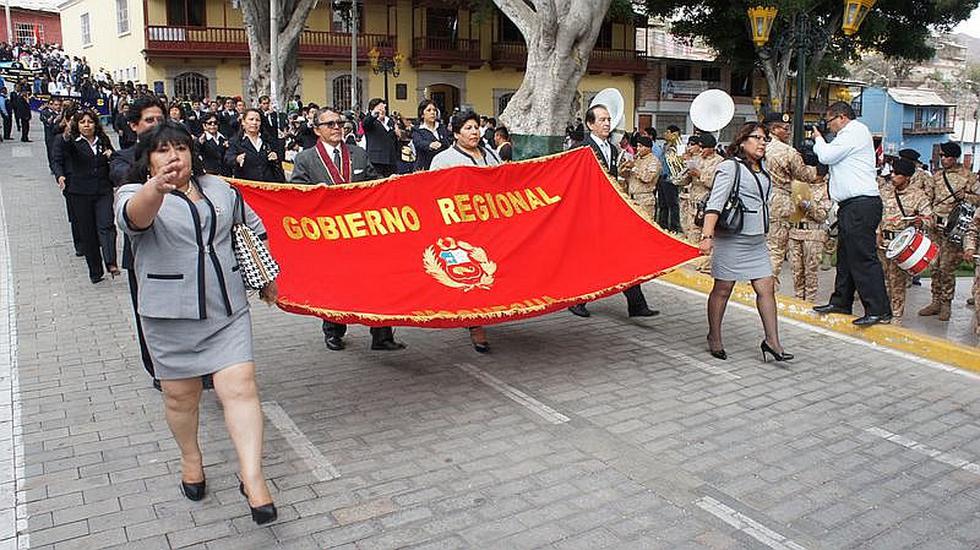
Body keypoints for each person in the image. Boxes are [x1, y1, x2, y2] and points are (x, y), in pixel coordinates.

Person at [115, 122, 278, 525]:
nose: (174, 157)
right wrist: (156, 187)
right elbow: (134, 220)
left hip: (227, 308)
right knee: (181, 398)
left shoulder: (220, 188)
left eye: (181, 148)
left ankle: (253, 477)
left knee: (240, 388)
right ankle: (191, 458)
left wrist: (267, 275)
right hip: (170, 315)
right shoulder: (134, 192)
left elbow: (253, 228)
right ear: (148, 158)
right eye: (163, 150)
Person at [289, 107, 406, 352]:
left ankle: (382, 334)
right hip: (329, 235)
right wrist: (316, 195)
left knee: (376, 281)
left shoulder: (358, 154)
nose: (336, 127)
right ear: (317, 130)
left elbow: (374, 186)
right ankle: (333, 331)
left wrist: (391, 185)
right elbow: (297, 196)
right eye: (329, 124)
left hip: (362, 233)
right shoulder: (306, 159)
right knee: (335, 285)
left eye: (339, 123)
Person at [699, 122, 791, 362]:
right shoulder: (730, 168)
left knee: (766, 288)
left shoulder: (764, 169)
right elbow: (715, 203)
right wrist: (707, 237)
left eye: (765, 139)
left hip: (757, 239)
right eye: (757, 138)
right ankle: (714, 337)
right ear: (742, 141)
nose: (762, 142)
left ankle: (773, 342)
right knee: (723, 289)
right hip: (732, 238)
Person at [567, 104, 659, 319]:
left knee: (624, 256)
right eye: (602, 120)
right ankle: (577, 300)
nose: (607, 123)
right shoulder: (580, 148)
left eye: (608, 119)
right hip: (588, 215)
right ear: (590, 124)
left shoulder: (613, 148)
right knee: (588, 259)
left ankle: (637, 304)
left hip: (609, 213)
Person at [810, 102, 892, 326]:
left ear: (842, 117)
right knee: (845, 257)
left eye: (829, 122)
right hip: (851, 206)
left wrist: (818, 138)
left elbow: (826, 156)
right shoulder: (847, 135)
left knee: (863, 258)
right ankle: (841, 301)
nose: (828, 127)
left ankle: (879, 309)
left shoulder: (854, 131)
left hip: (861, 204)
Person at [429, 111, 502, 353]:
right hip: (461, 230)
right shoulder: (444, 159)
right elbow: (435, 193)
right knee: (470, 276)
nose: (474, 132)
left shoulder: (490, 154)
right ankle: (475, 326)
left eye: (477, 127)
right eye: (469, 128)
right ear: (456, 132)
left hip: (490, 226)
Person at [110, 95, 167, 388]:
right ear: (134, 125)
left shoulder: (179, 155)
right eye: (149, 120)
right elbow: (125, 187)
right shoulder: (122, 158)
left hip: (180, 248)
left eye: (161, 120)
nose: (156, 125)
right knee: (148, 312)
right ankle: (158, 368)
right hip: (143, 252)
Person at [51, 109, 118, 283]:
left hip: (103, 189)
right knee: (88, 232)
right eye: (83, 122)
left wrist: (112, 156)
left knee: (107, 224)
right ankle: (95, 271)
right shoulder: (70, 141)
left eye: (90, 122)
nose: (87, 125)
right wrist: (60, 175)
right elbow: (57, 160)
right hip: (79, 191)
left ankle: (111, 262)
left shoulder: (102, 140)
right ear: (77, 125)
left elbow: (113, 158)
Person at [918, 141, 979, 321]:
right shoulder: (936, 176)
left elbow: (979, 199)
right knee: (934, 266)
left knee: (947, 268)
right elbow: (929, 198)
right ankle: (935, 301)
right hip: (936, 227)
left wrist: (966, 196)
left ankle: (946, 304)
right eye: (941, 156)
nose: (943, 159)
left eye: (946, 156)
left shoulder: (969, 177)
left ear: (954, 157)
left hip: (954, 230)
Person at [763, 111, 818, 278]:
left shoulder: (758, 146)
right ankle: (767, 286)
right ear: (773, 129)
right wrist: (815, 167)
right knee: (776, 249)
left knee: (761, 246)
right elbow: (805, 176)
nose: (788, 132)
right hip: (780, 199)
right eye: (785, 128)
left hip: (760, 197)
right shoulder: (787, 151)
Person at [878, 158, 932, 325]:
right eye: (893, 173)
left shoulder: (918, 196)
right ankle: (882, 311)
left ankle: (896, 316)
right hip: (883, 243)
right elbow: (878, 214)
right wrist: (877, 232)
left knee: (897, 283)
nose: (893, 176)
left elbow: (930, 218)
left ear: (907, 177)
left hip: (901, 246)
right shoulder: (886, 191)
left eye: (897, 174)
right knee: (882, 279)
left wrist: (920, 222)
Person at [787, 171, 831, 302]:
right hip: (795, 233)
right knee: (796, 271)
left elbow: (822, 216)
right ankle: (798, 299)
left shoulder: (826, 189)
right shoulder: (799, 184)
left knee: (810, 271)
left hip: (813, 235)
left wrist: (808, 206)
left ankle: (809, 301)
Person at [225, 108, 285, 182]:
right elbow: (228, 158)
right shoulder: (236, 141)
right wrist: (237, 159)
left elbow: (279, 160)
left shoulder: (267, 140)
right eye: (251, 119)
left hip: (268, 184)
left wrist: (275, 157)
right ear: (243, 122)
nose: (254, 123)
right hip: (247, 185)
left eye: (257, 120)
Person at [623, 135, 661, 219]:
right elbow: (626, 176)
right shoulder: (637, 159)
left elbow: (647, 178)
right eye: (637, 146)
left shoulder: (653, 161)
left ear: (649, 148)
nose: (638, 149)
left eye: (641, 146)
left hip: (644, 200)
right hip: (632, 198)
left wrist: (634, 167)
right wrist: (625, 167)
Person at [361, 98, 399, 177]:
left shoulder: (390, 121)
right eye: (379, 108)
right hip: (376, 160)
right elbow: (365, 123)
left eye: (384, 108)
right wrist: (374, 115)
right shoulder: (371, 121)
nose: (382, 110)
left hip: (390, 160)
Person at [411, 99, 452, 171]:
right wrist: (430, 145)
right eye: (429, 110)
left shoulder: (442, 127)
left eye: (434, 110)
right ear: (422, 114)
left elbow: (448, 142)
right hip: (425, 167)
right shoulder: (417, 130)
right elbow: (419, 143)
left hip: (442, 166)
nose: (433, 113)